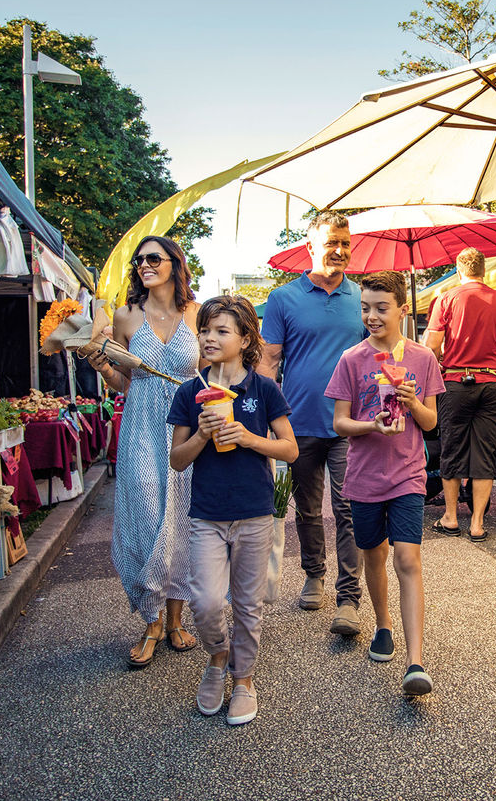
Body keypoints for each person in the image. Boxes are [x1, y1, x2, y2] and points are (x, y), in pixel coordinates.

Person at [168, 295, 297, 725]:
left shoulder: (263, 390)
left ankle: (243, 679)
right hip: (206, 514)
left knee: (247, 603)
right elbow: (177, 459)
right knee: (204, 603)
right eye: (204, 330)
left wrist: (248, 438)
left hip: (255, 512)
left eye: (221, 331)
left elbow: (290, 449)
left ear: (245, 339)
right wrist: (203, 435)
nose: (208, 338)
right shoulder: (190, 391)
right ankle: (218, 656)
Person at [325, 272, 444, 697]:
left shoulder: (422, 358)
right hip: (364, 478)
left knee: (408, 560)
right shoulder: (351, 359)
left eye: (381, 308)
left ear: (401, 310)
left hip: (408, 474)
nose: (371, 316)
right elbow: (339, 423)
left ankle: (416, 662)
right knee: (373, 556)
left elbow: (432, 423)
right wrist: (370, 424)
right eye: (365, 308)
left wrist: (412, 403)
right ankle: (382, 624)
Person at [86, 235, 201, 668]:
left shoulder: (196, 312)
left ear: (175, 263)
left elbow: (211, 371)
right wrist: (102, 367)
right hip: (141, 427)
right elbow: (126, 382)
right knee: (150, 513)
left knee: (183, 518)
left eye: (154, 258)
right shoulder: (125, 316)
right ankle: (151, 619)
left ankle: (175, 618)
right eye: (140, 261)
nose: (144, 266)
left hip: (185, 426)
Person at [259, 212, 366, 636]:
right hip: (297, 421)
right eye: (331, 243)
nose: (339, 250)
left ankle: (348, 596)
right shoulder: (283, 299)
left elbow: (377, 355)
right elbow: (269, 360)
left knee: (348, 509)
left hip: (348, 423)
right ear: (310, 247)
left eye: (345, 242)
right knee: (305, 507)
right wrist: (263, 416)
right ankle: (313, 573)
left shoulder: (362, 296)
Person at [424, 247, 496, 541]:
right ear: (484, 269)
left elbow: (431, 345)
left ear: (458, 269)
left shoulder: (447, 299)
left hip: (455, 381)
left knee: (452, 448)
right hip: (492, 383)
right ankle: (477, 523)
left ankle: (451, 518)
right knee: (485, 451)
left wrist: (444, 357)